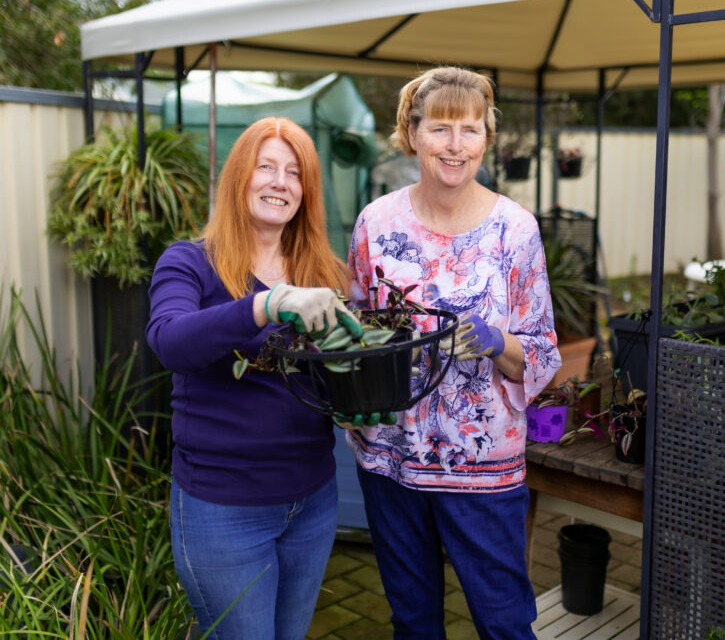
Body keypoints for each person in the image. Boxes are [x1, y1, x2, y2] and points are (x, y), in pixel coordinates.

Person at [344, 67, 562, 639]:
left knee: (505, 621)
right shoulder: (375, 223)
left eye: (470, 129)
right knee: (413, 623)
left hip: (482, 466)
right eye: (441, 128)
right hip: (389, 457)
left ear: (487, 139)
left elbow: (541, 352)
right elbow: (356, 333)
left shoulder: (515, 231)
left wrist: (497, 341)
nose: (456, 145)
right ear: (411, 133)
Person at [146, 116, 366, 639]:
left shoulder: (326, 275)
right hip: (222, 509)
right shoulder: (189, 264)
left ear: (305, 192)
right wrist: (266, 304)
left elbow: (335, 378)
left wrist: (360, 395)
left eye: (294, 173)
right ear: (238, 177)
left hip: (311, 501)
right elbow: (170, 342)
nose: (279, 181)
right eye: (266, 166)